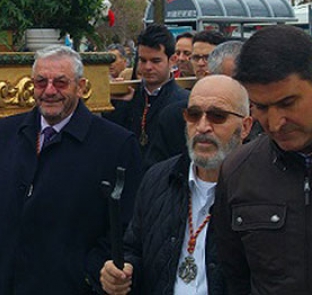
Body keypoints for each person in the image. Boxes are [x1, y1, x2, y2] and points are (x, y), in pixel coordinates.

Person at [212, 24, 312, 293]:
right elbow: (234, 276)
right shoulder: (238, 171)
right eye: (261, 107)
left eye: (288, 103)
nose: (275, 123)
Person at [0, 45, 142, 294]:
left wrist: (88, 272)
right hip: (3, 283)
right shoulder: (3, 134)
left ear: (81, 87)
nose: (50, 91)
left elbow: (125, 227)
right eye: (41, 82)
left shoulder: (116, 145)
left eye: (61, 83)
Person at [100, 75, 252, 295]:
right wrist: (122, 272)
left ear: (245, 126)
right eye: (193, 114)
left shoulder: (263, 187)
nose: (202, 127)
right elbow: (134, 248)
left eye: (217, 116)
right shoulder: (158, 178)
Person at [106, 24, 189, 168]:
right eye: (143, 60)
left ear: (172, 60)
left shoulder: (184, 101)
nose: (148, 67)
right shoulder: (126, 97)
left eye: (156, 61)